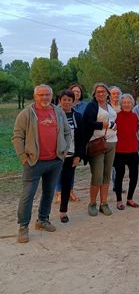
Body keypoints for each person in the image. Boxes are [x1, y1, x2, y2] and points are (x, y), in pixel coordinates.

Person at [12, 84, 71, 243]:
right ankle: (23, 227)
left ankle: (42, 220)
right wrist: (23, 157)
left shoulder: (58, 112)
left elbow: (67, 132)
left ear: (52, 96)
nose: (44, 98)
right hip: (33, 162)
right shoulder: (26, 114)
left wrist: (63, 152)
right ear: (35, 96)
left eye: (47, 95)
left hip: (55, 161)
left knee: (49, 192)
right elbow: (17, 137)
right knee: (28, 195)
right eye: (41, 95)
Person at [83, 83, 117, 217]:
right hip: (97, 143)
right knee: (97, 175)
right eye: (98, 92)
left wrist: (113, 126)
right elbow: (87, 122)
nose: (101, 94)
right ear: (94, 94)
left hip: (112, 142)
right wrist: (103, 124)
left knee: (107, 174)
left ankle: (104, 203)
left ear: (108, 93)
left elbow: (113, 119)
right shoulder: (92, 106)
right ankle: (92, 203)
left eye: (103, 91)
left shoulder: (110, 106)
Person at [54, 84, 87, 204]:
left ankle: (69, 192)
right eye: (64, 100)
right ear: (60, 101)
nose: (67, 102)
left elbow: (81, 137)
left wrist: (79, 155)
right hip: (57, 152)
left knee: (70, 173)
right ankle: (59, 193)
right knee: (58, 173)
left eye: (69, 100)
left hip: (72, 152)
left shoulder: (77, 116)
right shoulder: (54, 115)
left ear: (73, 101)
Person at [114, 94, 139, 209]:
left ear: (132, 104)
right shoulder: (116, 116)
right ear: (121, 104)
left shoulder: (135, 116)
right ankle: (119, 200)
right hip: (119, 151)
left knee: (134, 176)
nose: (126, 104)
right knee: (119, 176)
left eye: (129, 102)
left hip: (133, 151)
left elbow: (136, 130)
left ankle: (130, 199)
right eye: (124, 102)